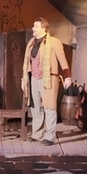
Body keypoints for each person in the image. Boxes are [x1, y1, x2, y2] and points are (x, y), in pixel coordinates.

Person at [21, 17, 71, 146]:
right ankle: (37, 134)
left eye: (36, 26)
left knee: (49, 107)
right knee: (36, 107)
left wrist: (67, 77)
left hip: (48, 78)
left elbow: (62, 60)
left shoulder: (54, 42)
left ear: (43, 28)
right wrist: (24, 78)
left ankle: (50, 136)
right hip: (34, 78)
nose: (33, 28)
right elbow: (28, 62)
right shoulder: (31, 43)